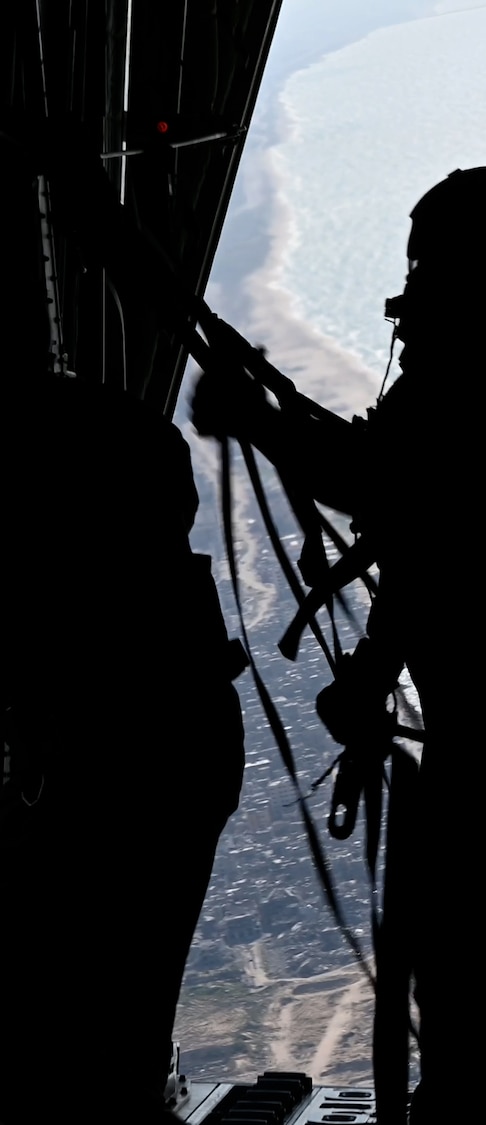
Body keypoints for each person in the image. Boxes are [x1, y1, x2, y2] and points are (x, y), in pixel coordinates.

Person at [193, 167, 486, 1122]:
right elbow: (433, 544)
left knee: (477, 1049)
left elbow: (393, 489)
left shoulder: (469, 404)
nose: (406, 303)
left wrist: (257, 417)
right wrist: (376, 670)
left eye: (426, 272)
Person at [2, 372, 247, 1125]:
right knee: (112, 1037)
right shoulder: (102, 442)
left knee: (85, 1048)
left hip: (139, 728)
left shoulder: (62, 452)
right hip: (171, 716)